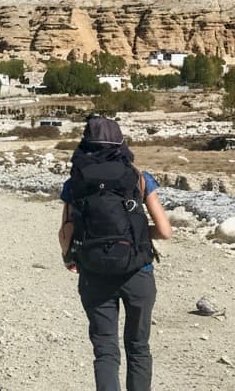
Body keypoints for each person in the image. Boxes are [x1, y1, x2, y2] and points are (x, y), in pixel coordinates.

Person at [59, 115, 171, 391]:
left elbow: (65, 232)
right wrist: (139, 236)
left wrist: (69, 258)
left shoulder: (76, 182)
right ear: (121, 143)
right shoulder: (139, 178)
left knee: (105, 350)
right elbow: (165, 231)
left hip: (94, 272)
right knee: (138, 347)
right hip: (138, 271)